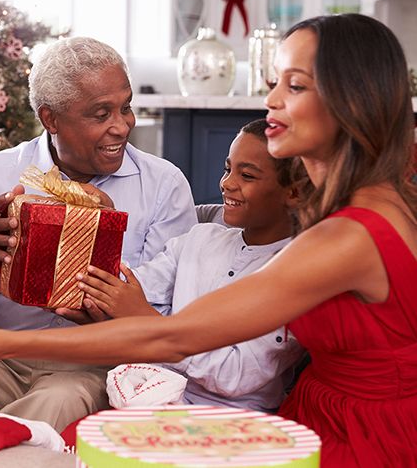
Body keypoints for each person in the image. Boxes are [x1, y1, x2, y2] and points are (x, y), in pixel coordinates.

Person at [0, 14, 417, 466]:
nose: (272, 100)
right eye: (275, 81)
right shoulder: (346, 213)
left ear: (351, 102)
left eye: (296, 86)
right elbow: (158, 313)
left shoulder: (352, 234)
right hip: (315, 415)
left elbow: (175, 336)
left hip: (363, 437)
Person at [0, 36, 198, 431]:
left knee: (57, 401)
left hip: (91, 365)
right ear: (50, 119)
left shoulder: (164, 184)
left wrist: (102, 250)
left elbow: (171, 318)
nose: (122, 126)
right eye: (101, 114)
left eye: (125, 107)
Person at [80, 119, 307, 413]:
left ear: (293, 193)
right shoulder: (199, 239)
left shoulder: (298, 273)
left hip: (232, 424)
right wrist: (101, 229)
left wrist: (148, 321)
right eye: (228, 169)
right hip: (149, 397)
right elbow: (130, 290)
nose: (227, 183)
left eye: (247, 175)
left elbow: (235, 374)